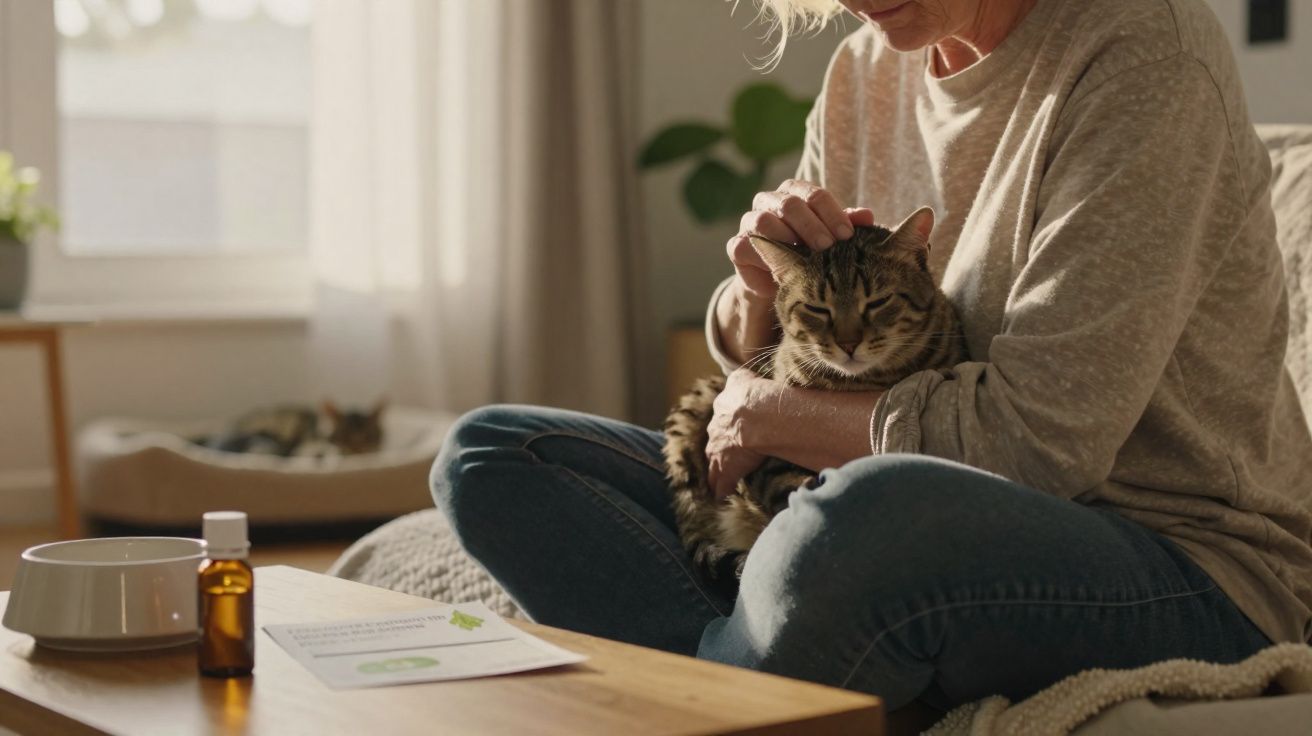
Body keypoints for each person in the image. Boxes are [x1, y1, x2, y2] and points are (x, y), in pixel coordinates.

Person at [433, 0, 1312, 717]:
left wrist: (775, 418)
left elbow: (1041, 444)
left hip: (1184, 558)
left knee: (864, 518)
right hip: (877, 505)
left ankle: (725, 676)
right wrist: (754, 288)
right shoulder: (863, 70)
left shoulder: (1145, 57)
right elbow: (776, 345)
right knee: (491, 456)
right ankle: (769, 656)